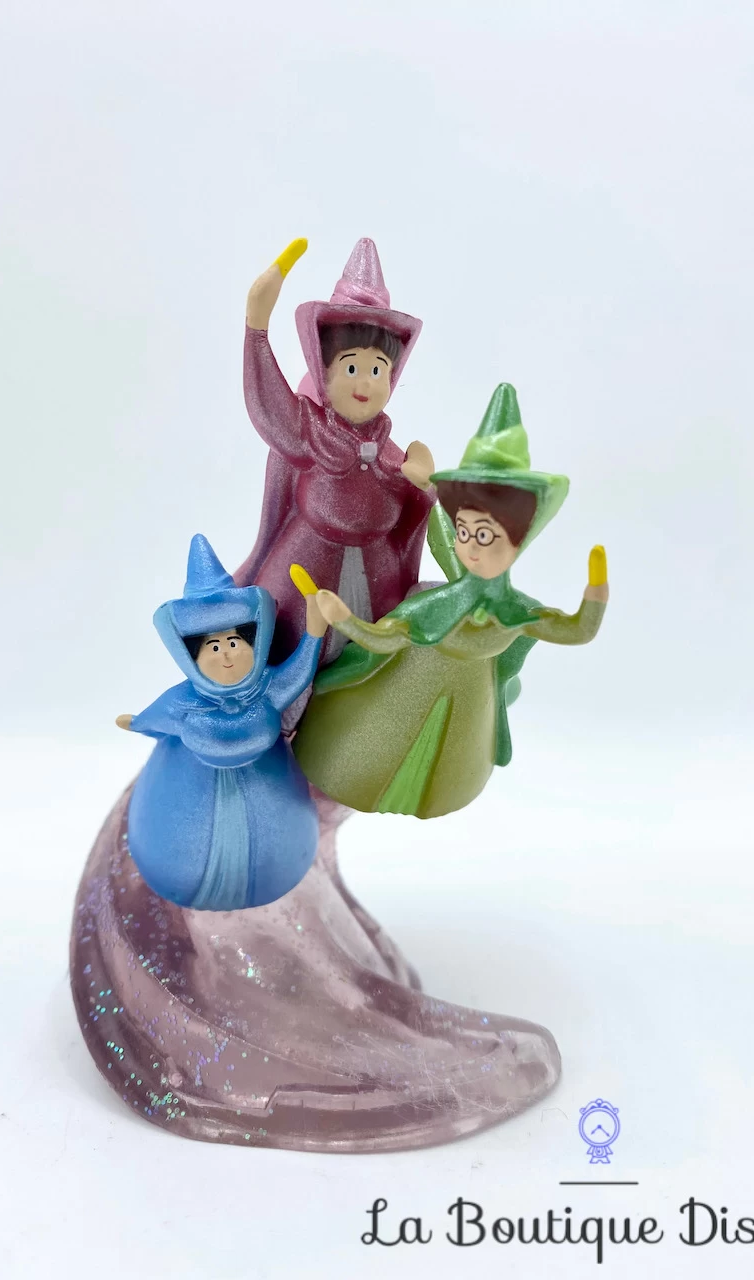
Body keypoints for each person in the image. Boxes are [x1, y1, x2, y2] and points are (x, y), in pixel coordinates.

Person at [292, 383, 609, 819]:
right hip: (391, 707)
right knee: (362, 765)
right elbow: (385, 638)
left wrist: (595, 592)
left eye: (487, 536)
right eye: (465, 533)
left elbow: (578, 630)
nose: (473, 547)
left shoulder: (518, 611)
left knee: (445, 778)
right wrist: (343, 619)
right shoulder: (436, 605)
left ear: (518, 541)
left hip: (466, 714)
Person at [237, 237, 436, 664]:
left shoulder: (388, 450)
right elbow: (268, 404)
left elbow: (419, 495)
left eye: (377, 370)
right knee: (295, 653)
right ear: (323, 369)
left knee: (376, 660)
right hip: (305, 573)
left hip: (377, 581)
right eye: (351, 366)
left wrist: (422, 474)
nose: (365, 383)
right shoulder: (309, 432)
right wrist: (257, 327)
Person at [116, 535, 327, 909]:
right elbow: (159, 717)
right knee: (180, 845)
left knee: (274, 846)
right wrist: (136, 722)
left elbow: (300, 671)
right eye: (213, 647)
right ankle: (185, 876)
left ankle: (270, 875)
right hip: (188, 794)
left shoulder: (268, 689)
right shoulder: (185, 701)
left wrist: (314, 628)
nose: (227, 655)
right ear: (191, 656)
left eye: (234, 642)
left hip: (271, 795)